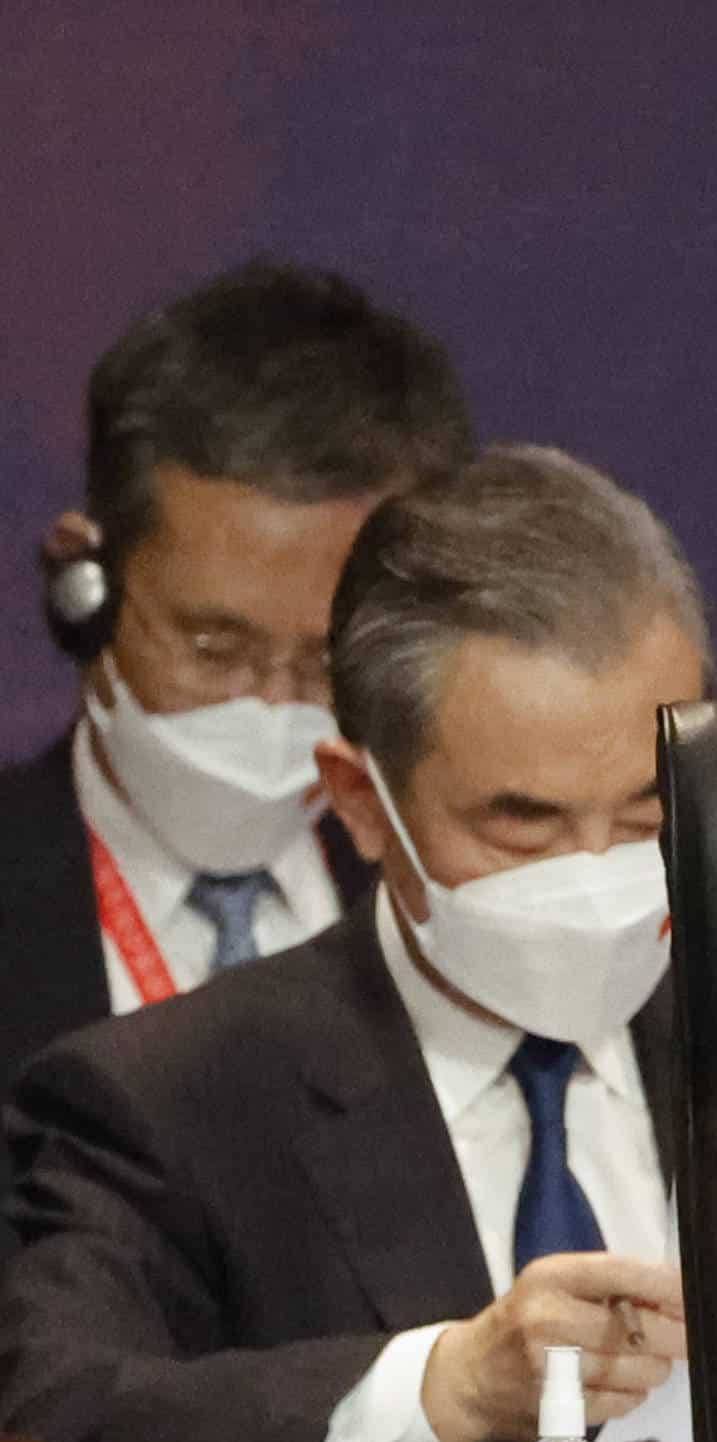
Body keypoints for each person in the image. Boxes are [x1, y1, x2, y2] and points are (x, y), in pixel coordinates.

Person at [0, 446, 706, 1442]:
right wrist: (442, 1386)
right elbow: (52, 1419)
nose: (596, 871)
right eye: (523, 824)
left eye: (647, 812)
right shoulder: (169, 1097)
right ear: (363, 802)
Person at [0, 262, 475, 1112]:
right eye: (214, 646)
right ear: (82, 582)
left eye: (327, 663)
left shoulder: (466, 915)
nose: (268, 707)